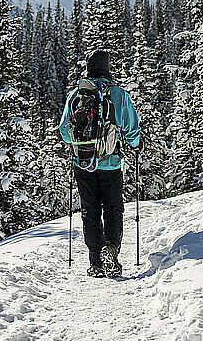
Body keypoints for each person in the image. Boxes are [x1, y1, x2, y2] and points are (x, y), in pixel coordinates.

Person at [59, 49, 141, 278]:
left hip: (82, 163)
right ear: (107, 69)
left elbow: (64, 131)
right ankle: (111, 249)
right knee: (113, 209)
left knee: (90, 211)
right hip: (111, 162)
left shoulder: (76, 95)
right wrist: (136, 144)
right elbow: (131, 128)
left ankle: (95, 262)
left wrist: (82, 144)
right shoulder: (118, 94)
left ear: (88, 68)